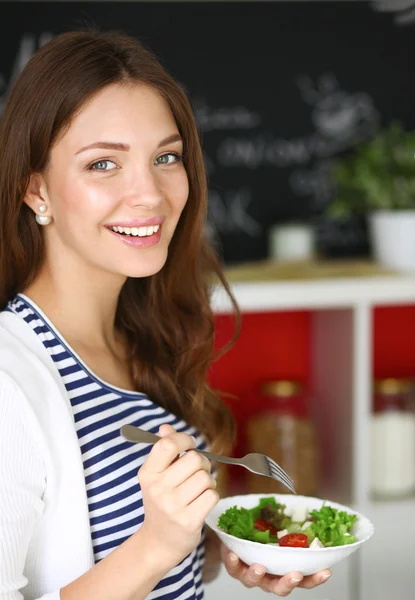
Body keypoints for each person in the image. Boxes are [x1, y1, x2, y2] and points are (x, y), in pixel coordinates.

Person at [0, 29, 332, 600]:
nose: (150, 194)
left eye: (166, 157)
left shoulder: (144, 338)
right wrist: (156, 544)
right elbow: (144, 552)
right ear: (37, 192)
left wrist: (230, 548)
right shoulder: (9, 381)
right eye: (103, 164)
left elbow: (150, 568)